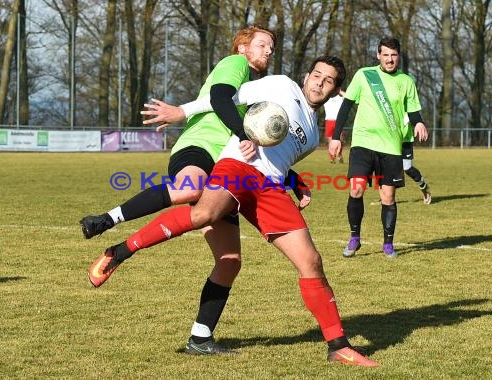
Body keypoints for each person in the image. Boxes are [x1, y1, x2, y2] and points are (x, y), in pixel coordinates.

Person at [87, 56, 379, 367]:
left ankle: (338, 345)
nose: (319, 82)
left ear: (335, 90)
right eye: (316, 75)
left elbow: (277, 157)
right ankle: (121, 250)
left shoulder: (311, 135)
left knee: (310, 260)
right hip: (236, 166)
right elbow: (222, 98)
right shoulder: (280, 84)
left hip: (270, 188)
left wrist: (295, 181)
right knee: (204, 214)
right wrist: (183, 112)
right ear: (307, 75)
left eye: (328, 80)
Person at [81, 25, 276, 355]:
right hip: (199, 148)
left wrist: (183, 111)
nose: (269, 51)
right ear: (243, 48)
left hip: (226, 168)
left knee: (229, 261)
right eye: (262, 44)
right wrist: (241, 134)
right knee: (190, 188)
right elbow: (216, 97)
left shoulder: (256, 86)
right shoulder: (235, 63)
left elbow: (208, 101)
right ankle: (106, 219)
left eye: (272, 47)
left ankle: (200, 338)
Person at [329, 37, 428, 259]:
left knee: (388, 198)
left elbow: (413, 111)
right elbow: (346, 105)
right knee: (356, 189)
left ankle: (388, 244)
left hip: (391, 147)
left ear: (398, 56)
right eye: (385, 55)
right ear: (378, 55)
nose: (390, 59)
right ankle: (354, 238)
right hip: (363, 143)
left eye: (393, 55)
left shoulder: (406, 81)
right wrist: (336, 137)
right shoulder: (365, 75)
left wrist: (419, 122)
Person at [371, 115, 431, 205]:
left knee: (407, 168)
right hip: (390, 139)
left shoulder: (406, 102)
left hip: (405, 140)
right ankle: (384, 197)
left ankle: (424, 188)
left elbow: (413, 114)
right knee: (384, 167)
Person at [323, 89, 346, 163]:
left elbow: (347, 96)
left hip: (338, 121)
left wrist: (339, 90)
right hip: (329, 121)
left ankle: (339, 155)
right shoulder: (326, 99)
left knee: (340, 139)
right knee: (330, 141)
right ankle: (332, 158)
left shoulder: (340, 99)